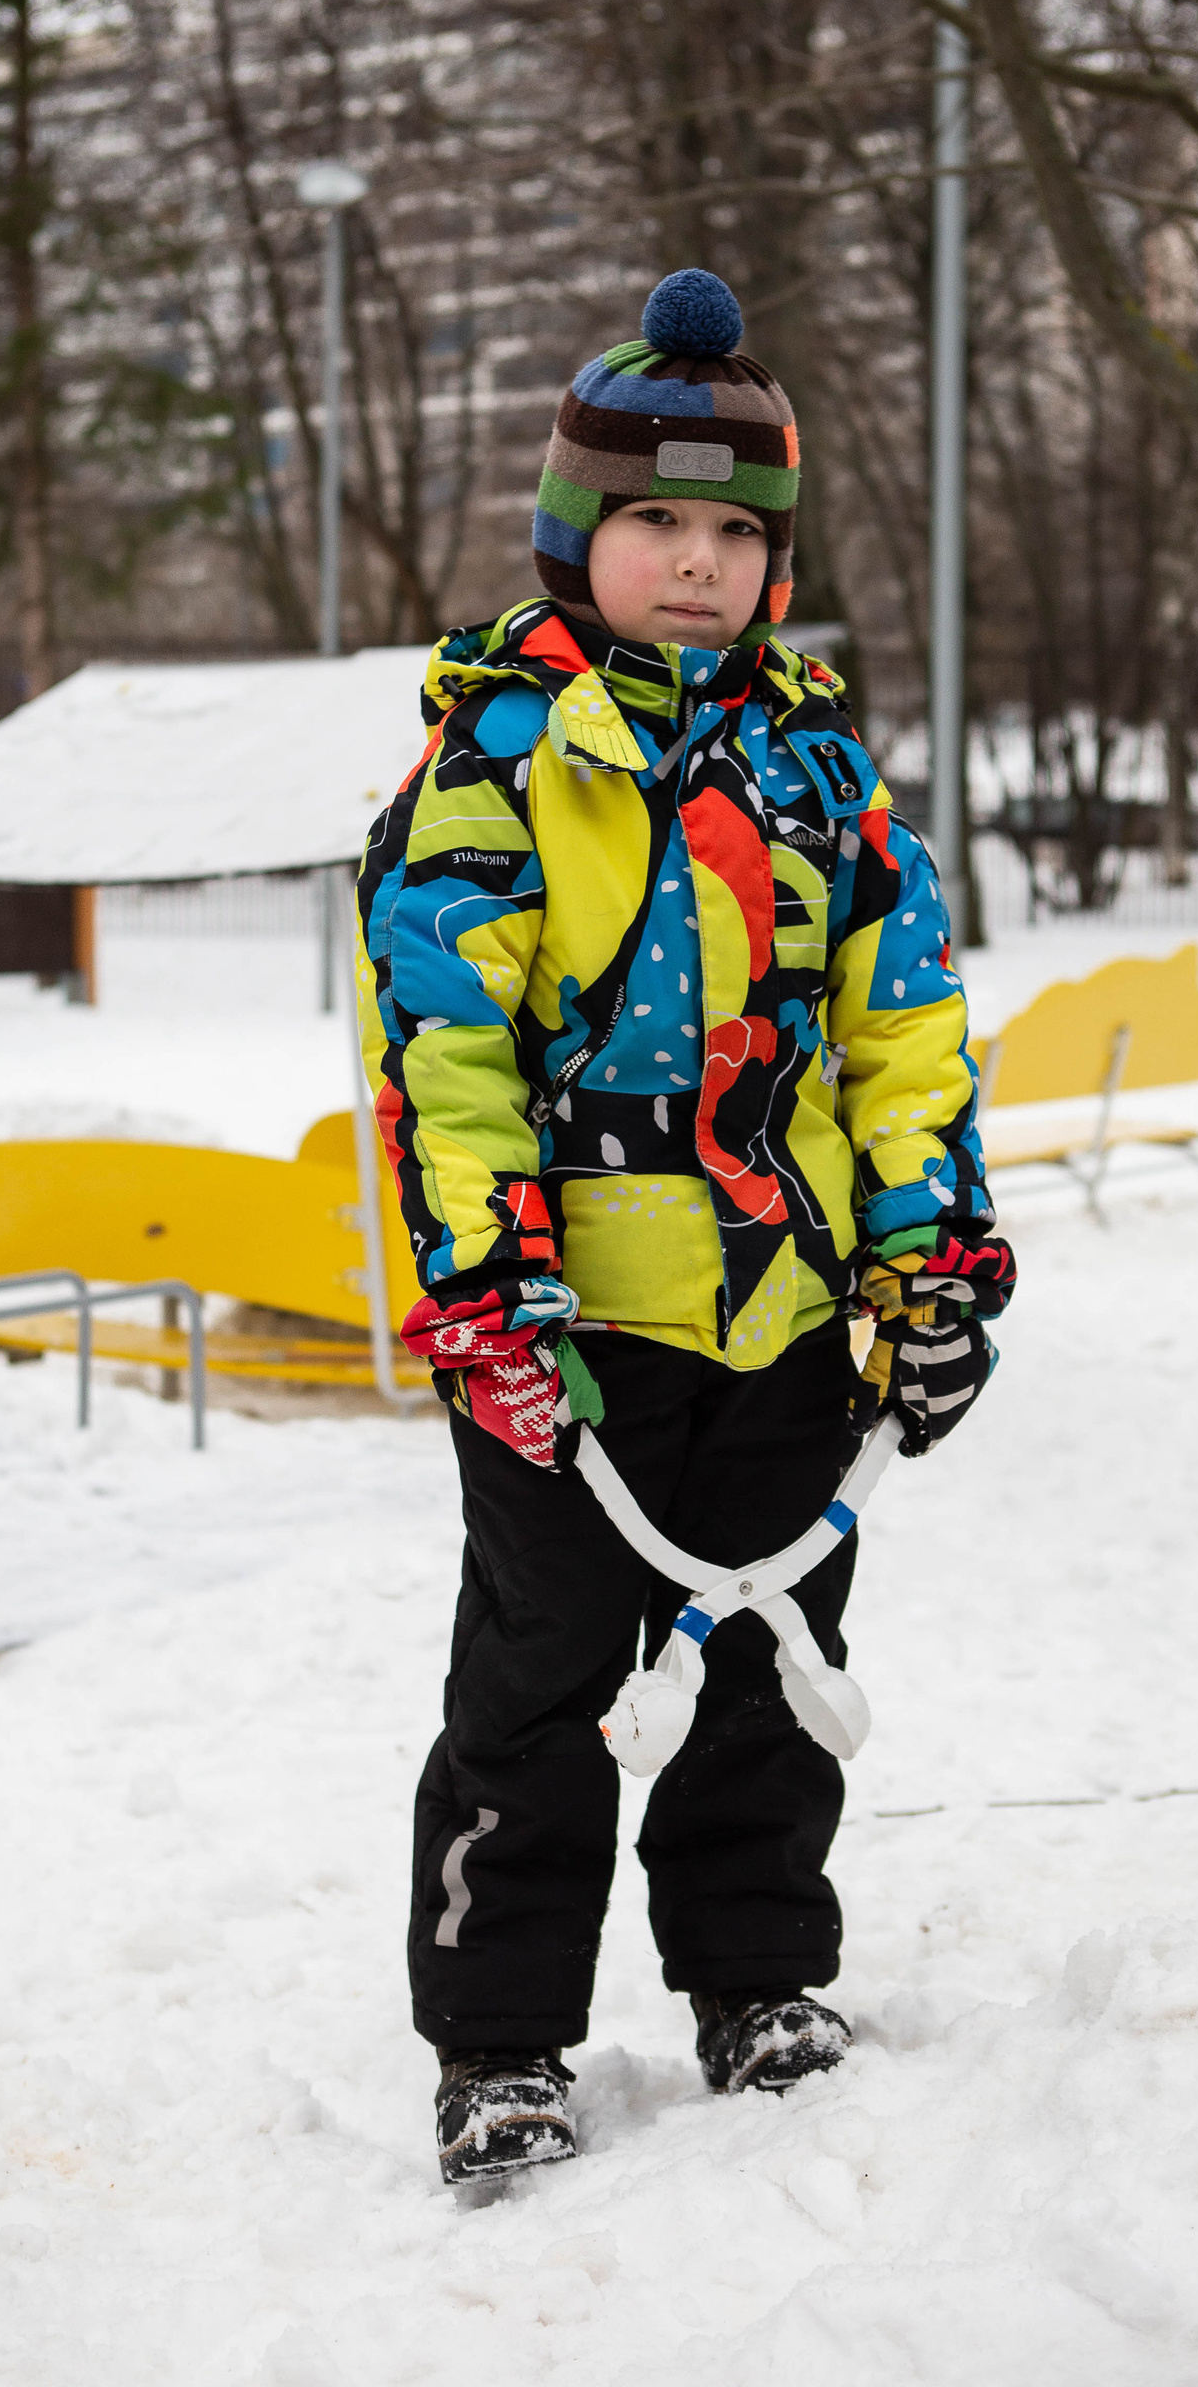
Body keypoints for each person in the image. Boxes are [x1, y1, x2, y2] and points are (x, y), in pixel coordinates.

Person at [356, 268, 1013, 2187]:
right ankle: (500, 2036)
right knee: (541, 1688)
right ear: (577, 531)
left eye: (737, 533)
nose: (700, 562)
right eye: (655, 520)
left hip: (781, 1320)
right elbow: (446, 1054)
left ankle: (757, 1979)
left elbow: (902, 1037)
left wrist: (931, 1261)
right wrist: (489, 1285)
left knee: (769, 1676)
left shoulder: (823, 777)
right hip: (570, 1338)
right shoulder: (498, 765)